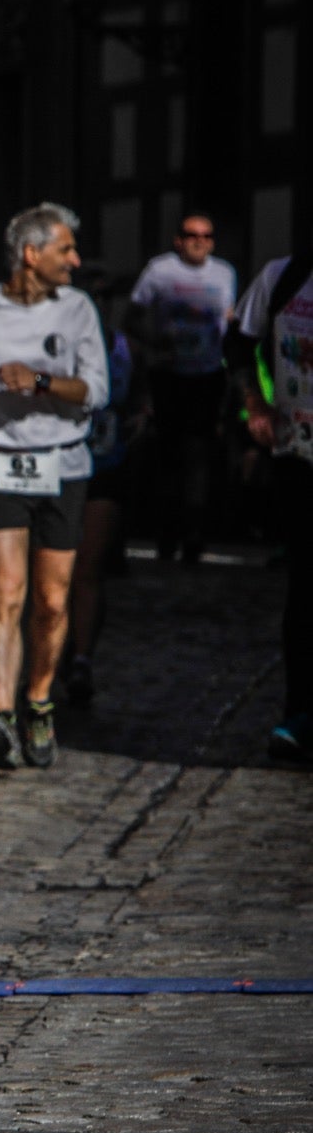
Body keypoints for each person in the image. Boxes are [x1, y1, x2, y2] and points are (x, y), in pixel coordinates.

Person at [0, 202, 109, 770]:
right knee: (5, 592)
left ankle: (38, 701)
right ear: (31, 255)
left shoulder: (78, 310)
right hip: (0, 463)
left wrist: (38, 382)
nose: (75, 261)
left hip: (63, 462)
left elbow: (95, 390)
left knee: (52, 600)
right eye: (66, 250)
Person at [225, 247, 313, 764]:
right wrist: (252, 403)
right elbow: (237, 344)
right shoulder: (284, 277)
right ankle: (299, 710)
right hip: (299, 455)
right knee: (305, 587)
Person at [126, 214, 238, 563]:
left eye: (206, 235)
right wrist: (153, 345)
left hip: (206, 373)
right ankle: (166, 531)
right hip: (169, 373)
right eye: (191, 235)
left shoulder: (224, 273)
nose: (199, 241)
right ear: (178, 240)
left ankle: (194, 532)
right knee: (169, 455)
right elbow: (132, 317)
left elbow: (229, 317)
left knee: (199, 453)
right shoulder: (160, 271)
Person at [65, 274, 136, 706]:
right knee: (51, 572)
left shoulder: (125, 349)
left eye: (104, 300)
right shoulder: (53, 342)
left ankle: (81, 660)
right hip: (55, 466)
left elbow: (139, 397)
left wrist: (140, 417)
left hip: (104, 466)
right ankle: (48, 653)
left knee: (88, 568)